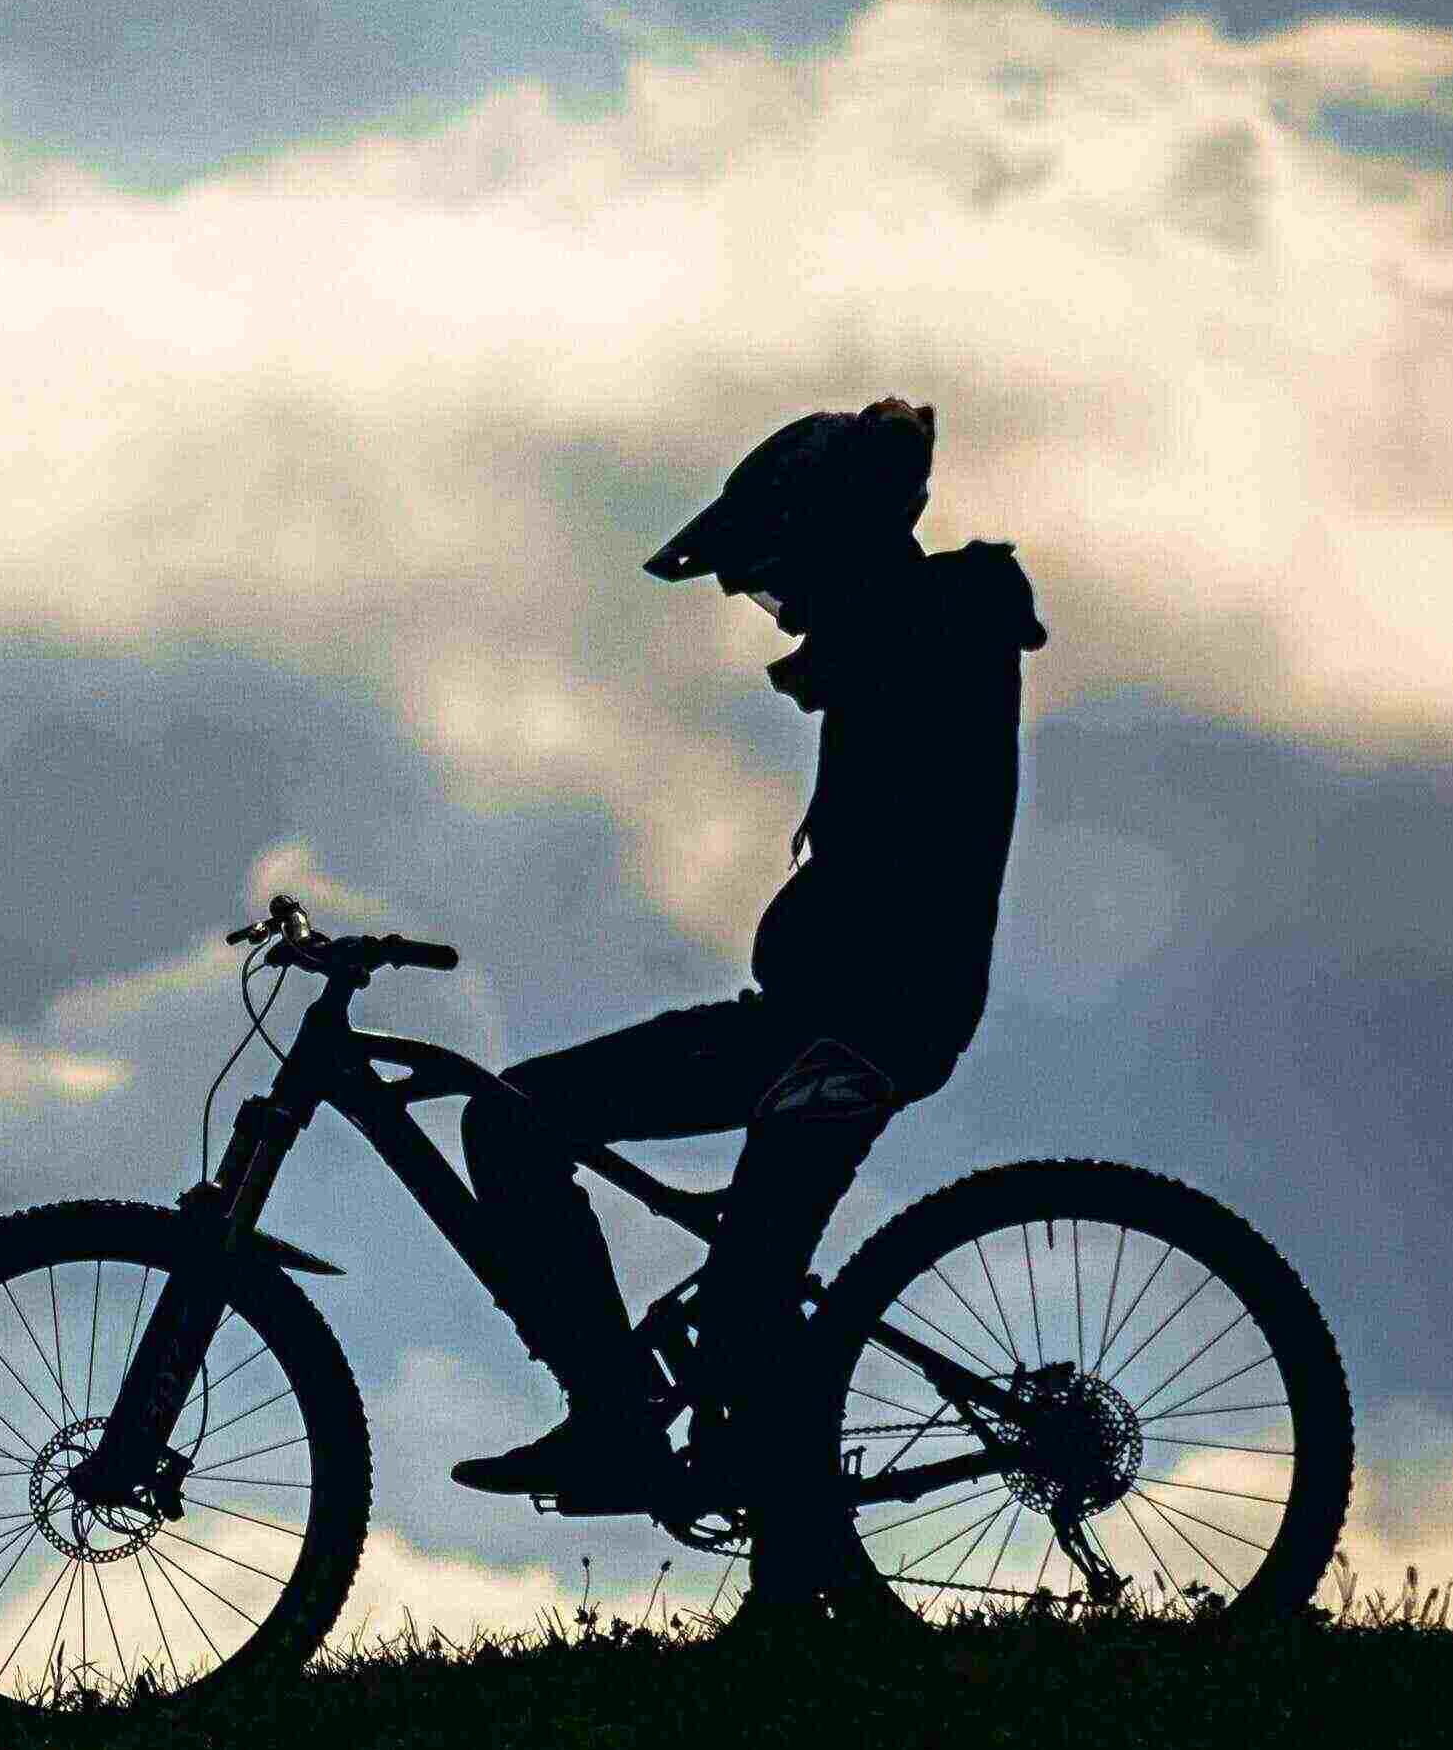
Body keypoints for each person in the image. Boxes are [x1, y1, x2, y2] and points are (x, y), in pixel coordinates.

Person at [448, 397, 1046, 1597]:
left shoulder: (928, 630)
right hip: (814, 1021)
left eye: (780, 580)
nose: (780, 614)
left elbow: (902, 714)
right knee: (512, 1122)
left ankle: (780, 1569)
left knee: (743, 1305)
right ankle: (627, 1422)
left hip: (863, 1028)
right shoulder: (913, 628)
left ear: (836, 550)